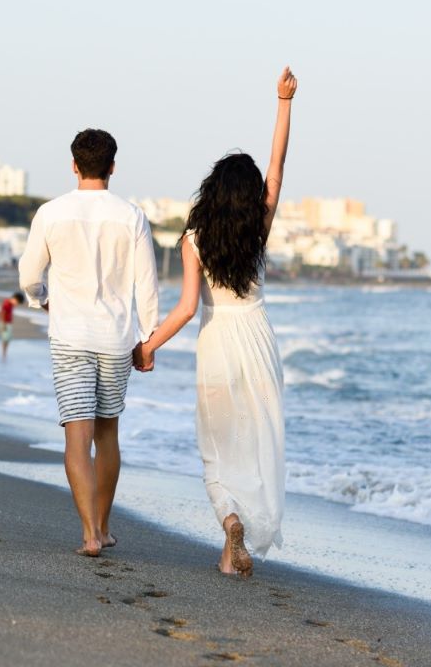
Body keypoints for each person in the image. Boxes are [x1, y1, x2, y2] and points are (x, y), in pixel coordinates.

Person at [139, 67, 298, 577]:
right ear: (249, 196)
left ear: (212, 190)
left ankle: (229, 520)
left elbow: (186, 308)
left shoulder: (194, 238)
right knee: (256, 439)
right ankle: (237, 541)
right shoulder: (258, 227)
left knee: (217, 442)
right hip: (257, 337)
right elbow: (276, 167)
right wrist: (283, 101)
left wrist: (150, 345)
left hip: (218, 341)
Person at [18, 129, 160, 557]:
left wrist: (42, 302)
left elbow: (29, 275)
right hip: (116, 339)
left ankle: (89, 536)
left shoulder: (51, 212)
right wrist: (148, 339)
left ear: (74, 165)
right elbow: (146, 286)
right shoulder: (131, 216)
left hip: (70, 336)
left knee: (76, 436)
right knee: (107, 435)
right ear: (113, 166)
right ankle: (104, 524)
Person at [0, 291, 25, 359]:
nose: (17, 304)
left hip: (7, 323)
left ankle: (5, 352)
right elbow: (2, 313)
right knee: (5, 338)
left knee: (7, 338)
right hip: (5, 323)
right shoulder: (7, 303)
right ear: (15, 299)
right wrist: (3, 324)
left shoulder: (10, 304)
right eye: (17, 302)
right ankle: (4, 353)